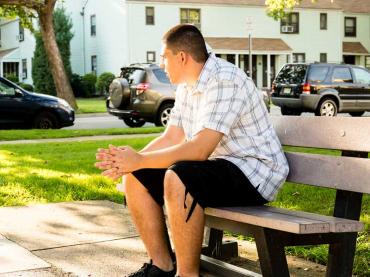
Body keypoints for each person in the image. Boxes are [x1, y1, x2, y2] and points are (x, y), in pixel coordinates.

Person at [95, 24, 289, 277]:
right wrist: (131, 162)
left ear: (182, 57)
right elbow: (172, 136)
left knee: (179, 176)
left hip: (254, 172)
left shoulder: (225, 80)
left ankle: (187, 275)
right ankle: (160, 265)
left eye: (164, 57)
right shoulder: (188, 85)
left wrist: (140, 158)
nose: (162, 65)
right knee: (136, 176)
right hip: (220, 166)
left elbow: (199, 150)